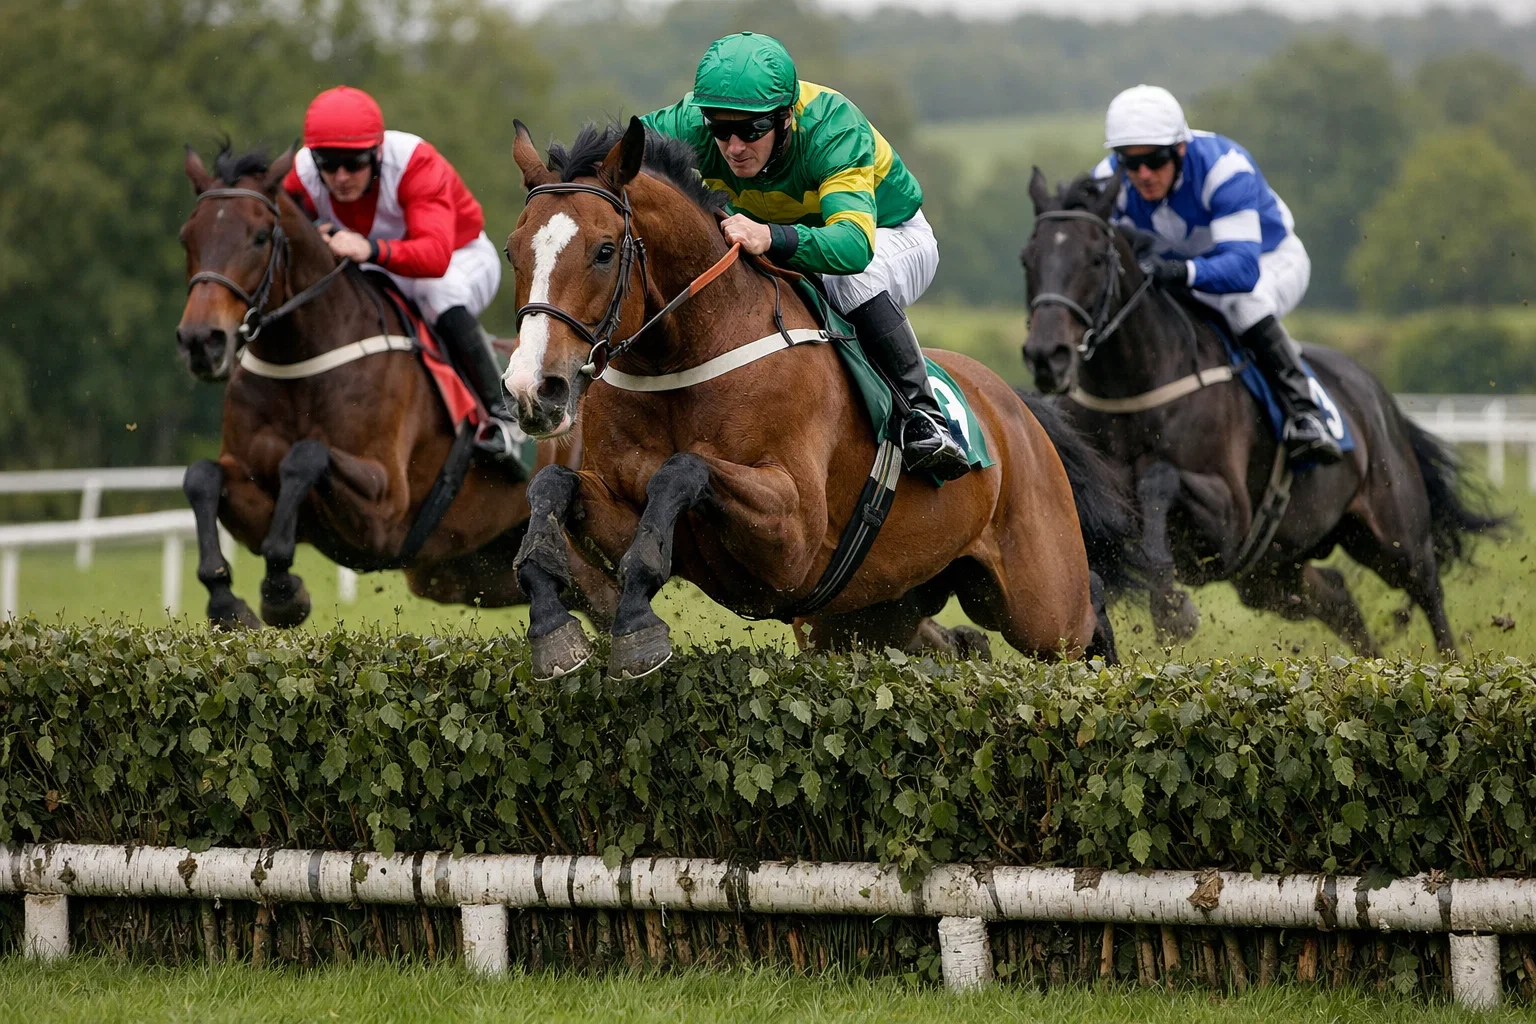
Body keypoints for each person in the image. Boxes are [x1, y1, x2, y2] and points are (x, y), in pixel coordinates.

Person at [641, 32, 970, 481]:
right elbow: (615, 153)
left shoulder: (833, 127)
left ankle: (925, 417)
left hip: (890, 236)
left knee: (847, 279)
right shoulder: (690, 122)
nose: (734, 146)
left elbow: (853, 246)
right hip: (791, 241)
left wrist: (771, 236)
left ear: (786, 118)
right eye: (720, 129)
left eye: (751, 130)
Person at [1092, 84, 1342, 465]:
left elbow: (1241, 270)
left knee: (1243, 303)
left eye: (1155, 161)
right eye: (1129, 162)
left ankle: (1304, 413)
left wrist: (1177, 270)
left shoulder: (1225, 169)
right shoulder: (1107, 180)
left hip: (1269, 262)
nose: (1142, 174)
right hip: (1183, 274)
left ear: (1180, 148)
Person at [282, 86, 520, 462]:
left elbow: (435, 257)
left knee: (436, 292)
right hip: (378, 267)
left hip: (460, 259)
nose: (341, 177)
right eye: (328, 163)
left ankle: (502, 417)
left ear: (377, 153)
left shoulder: (414, 162)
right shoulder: (300, 175)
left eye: (355, 162)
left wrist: (371, 248)